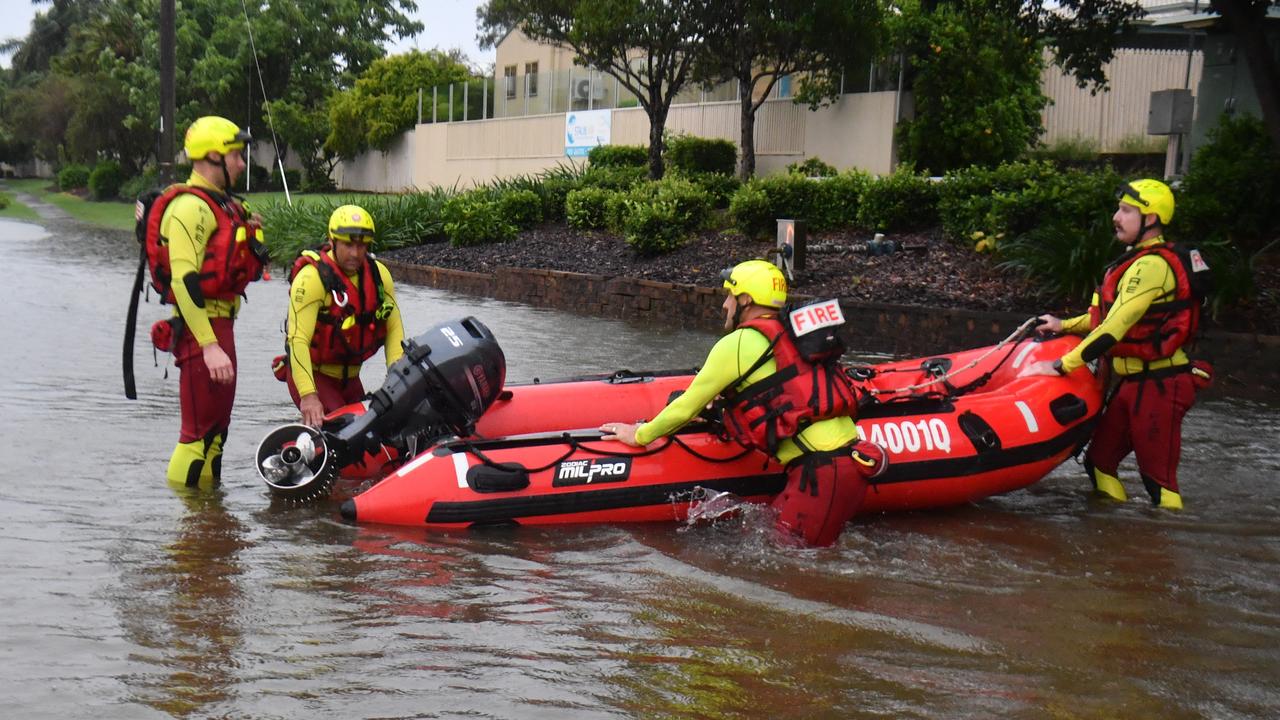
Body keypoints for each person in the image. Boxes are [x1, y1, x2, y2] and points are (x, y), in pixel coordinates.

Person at [600, 260, 886, 547]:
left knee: (791, 565)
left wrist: (638, 435)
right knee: (775, 543)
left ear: (746, 300)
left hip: (822, 474)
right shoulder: (796, 336)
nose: (725, 305)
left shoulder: (737, 343)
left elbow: (687, 406)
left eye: (729, 296)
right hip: (843, 465)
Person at [1020, 179, 1210, 509]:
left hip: (1163, 384)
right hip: (1133, 383)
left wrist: (1061, 365)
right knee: (1099, 463)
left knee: (1158, 480)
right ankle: (1114, 530)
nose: (1115, 217)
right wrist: (1062, 325)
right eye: (1118, 209)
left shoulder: (1152, 266)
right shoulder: (1135, 260)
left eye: (1125, 211)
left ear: (1150, 218)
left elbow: (1114, 328)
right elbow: (1104, 319)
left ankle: (1164, 543)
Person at [158, 115, 266, 487]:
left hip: (222, 328)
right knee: (196, 437)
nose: (241, 163)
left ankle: (209, 524)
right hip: (200, 330)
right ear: (214, 157)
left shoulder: (221, 206)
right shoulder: (191, 208)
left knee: (216, 436)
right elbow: (183, 279)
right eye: (236, 155)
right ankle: (185, 532)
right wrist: (208, 345)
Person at [280, 204, 404, 427]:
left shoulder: (379, 276)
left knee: (376, 431)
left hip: (350, 379)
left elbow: (394, 327)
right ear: (332, 240)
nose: (355, 253)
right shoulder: (311, 280)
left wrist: (398, 375)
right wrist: (309, 395)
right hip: (316, 377)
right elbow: (297, 340)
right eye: (348, 244)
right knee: (345, 432)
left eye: (361, 246)